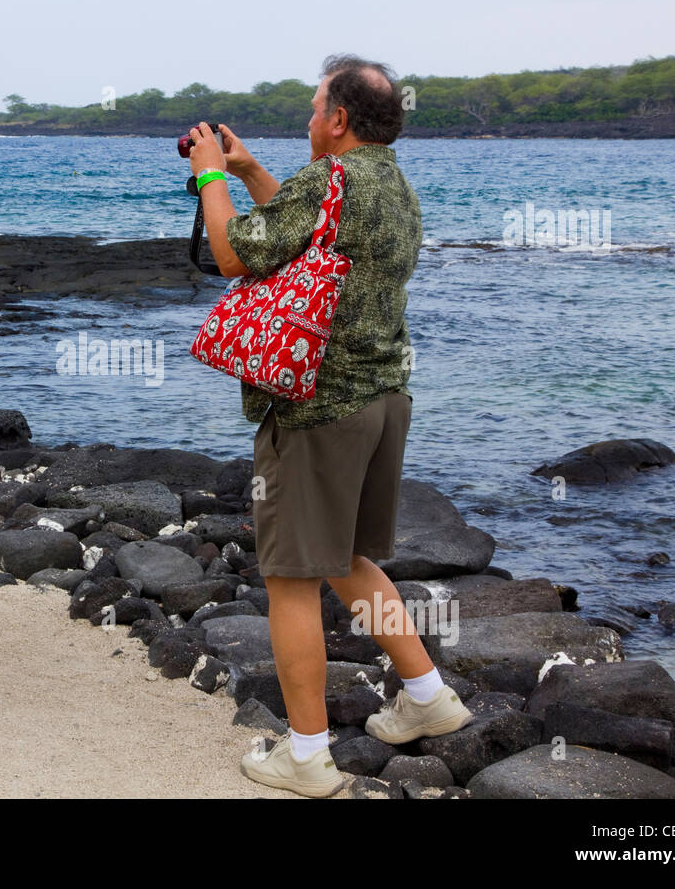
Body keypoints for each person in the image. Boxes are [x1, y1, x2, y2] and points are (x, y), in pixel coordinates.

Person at [188, 54, 473, 797]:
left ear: (340, 120)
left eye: (316, 109)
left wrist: (212, 174)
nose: (309, 121)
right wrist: (252, 173)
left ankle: (308, 756)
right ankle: (427, 696)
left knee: (289, 578)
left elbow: (231, 253)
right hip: (383, 399)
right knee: (348, 556)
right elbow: (308, 234)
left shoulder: (330, 179)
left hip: (318, 407)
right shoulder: (395, 186)